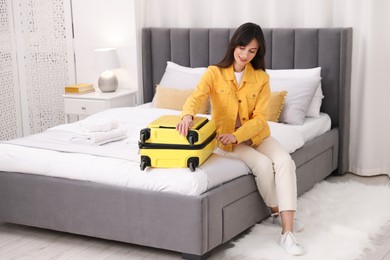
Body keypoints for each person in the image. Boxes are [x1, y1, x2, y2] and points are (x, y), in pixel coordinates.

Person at [176, 22, 305, 256]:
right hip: (225, 142)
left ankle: (288, 233)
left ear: (258, 53)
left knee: (285, 162)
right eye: (242, 47)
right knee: (264, 165)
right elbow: (197, 97)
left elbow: (260, 119)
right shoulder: (214, 73)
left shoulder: (261, 78)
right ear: (234, 45)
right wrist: (187, 114)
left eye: (252, 51)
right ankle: (277, 211)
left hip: (256, 137)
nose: (245, 54)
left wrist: (238, 135)